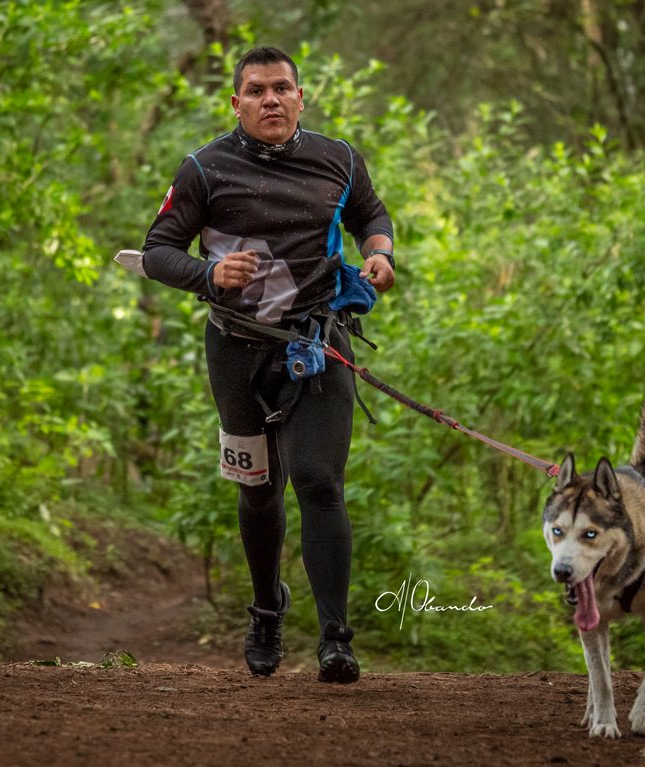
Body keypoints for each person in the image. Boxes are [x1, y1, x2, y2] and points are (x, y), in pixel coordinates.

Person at [138, 46, 395, 683]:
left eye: (282, 88)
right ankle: (266, 608)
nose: (270, 100)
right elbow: (155, 251)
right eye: (256, 91)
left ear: (301, 98)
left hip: (319, 344)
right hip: (235, 351)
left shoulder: (338, 158)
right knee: (258, 491)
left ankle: (336, 637)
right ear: (237, 104)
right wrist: (208, 272)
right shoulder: (203, 169)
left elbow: (370, 214)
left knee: (319, 483)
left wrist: (381, 254)